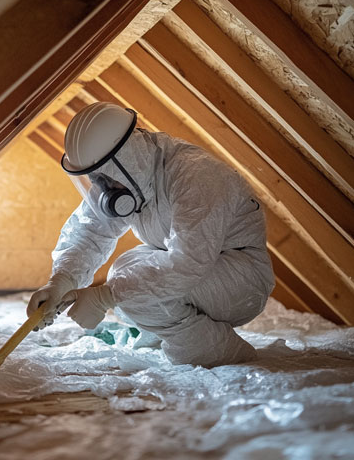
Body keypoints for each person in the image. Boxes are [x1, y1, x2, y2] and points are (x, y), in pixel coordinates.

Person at [27, 102, 275, 367]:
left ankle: (223, 354)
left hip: (241, 279)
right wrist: (60, 282)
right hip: (203, 271)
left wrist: (106, 296)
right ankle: (181, 334)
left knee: (132, 291)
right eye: (94, 178)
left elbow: (187, 263)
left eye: (104, 176)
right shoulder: (130, 176)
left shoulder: (196, 174)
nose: (103, 187)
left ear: (126, 159)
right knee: (124, 274)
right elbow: (89, 233)